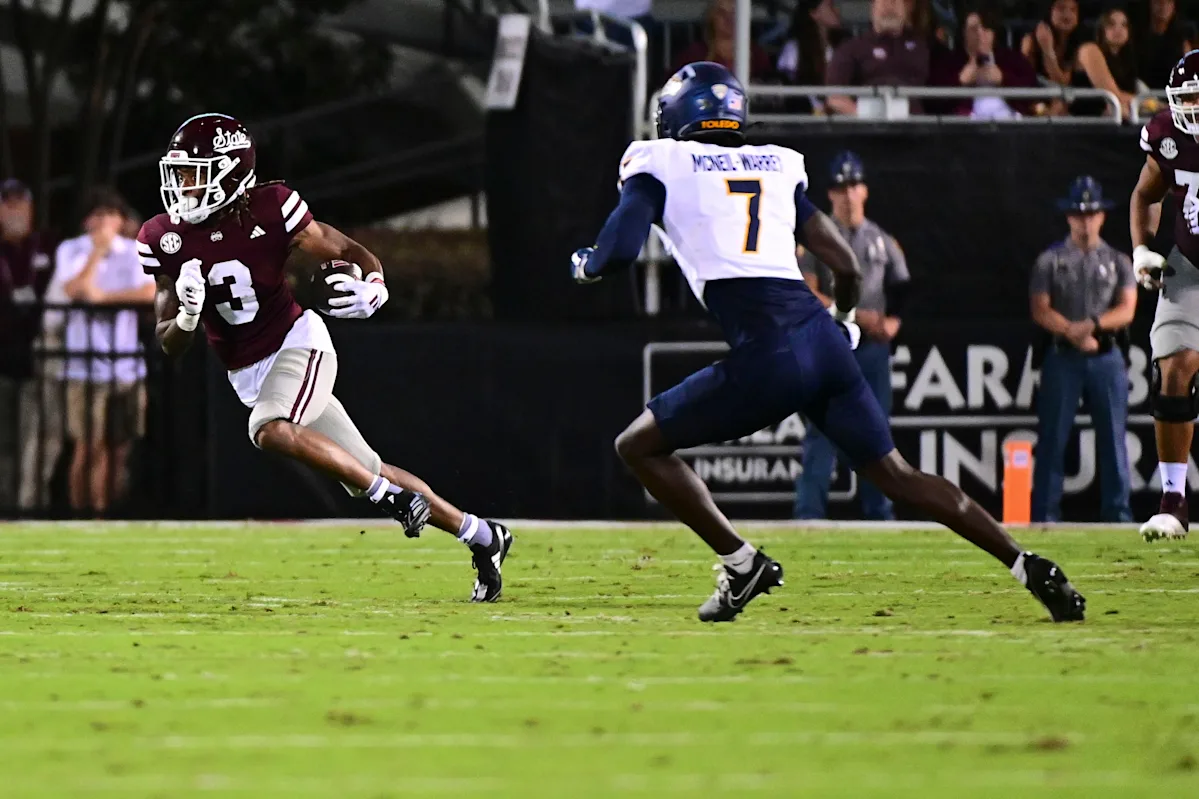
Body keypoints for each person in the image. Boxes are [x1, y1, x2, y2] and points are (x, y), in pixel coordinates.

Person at [570, 61, 1085, 623]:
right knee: (900, 476)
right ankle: (1027, 564)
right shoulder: (775, 163)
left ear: (675, 113)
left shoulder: (660, 161)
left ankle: (742, 563)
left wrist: (587, 264)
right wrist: (841, 318)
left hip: (769, 351)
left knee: (637, 446)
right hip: (824, 341)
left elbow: (619, 252)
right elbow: (845, 263)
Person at [140, 113, 513, 599]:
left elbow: (349, 250)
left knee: (268, 428)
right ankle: (482, 535)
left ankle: (391, 499)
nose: (183, 187)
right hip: (248, 373)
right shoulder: (161, 237)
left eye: (194, 174)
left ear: (231, 173)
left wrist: (374, 285)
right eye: (179, 174)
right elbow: (167, 341)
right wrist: (188, 317)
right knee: (369, 469)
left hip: (297, 344)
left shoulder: (272, 207)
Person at [794, 151, 908, 522]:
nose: (848, 195)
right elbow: (807, 292)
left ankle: (880, 513)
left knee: (876, 432)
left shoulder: (881, 239)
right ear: (830, 193)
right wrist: (858, 316)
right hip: (832, 343)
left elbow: (903, 286)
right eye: (841, 188)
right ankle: (809, 515)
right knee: (822, 430)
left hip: (873, 348)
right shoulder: (817, 236)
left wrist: (894, 322)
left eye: (853, 186)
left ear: (864, 190)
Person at [1029, 176, 1136, 523]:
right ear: (1069, 217)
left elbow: (1127, 309)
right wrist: (1072, 332)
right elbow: (1040, 308)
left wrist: (1092, 325)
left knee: (1114, 440)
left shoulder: (1118, 260)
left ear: (1101, 217)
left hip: (1105, 355)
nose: (1085, 221)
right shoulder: (1050, 260)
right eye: (1078, 214)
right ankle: (1045, 514)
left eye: (1091, 214)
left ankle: (1118, 515)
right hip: (1063, 356)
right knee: (1052, 437)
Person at [49, 190, 157, 515]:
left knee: (119, 448)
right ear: (86, 221)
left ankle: (104, 514)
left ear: (120, 220)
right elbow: (73, 289)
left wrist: (103, 298)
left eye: (111, 215)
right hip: (84, 368)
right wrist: (96, 253)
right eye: (98, 215)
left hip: (126, 367)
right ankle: (82, 515)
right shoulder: (72, 249)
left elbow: (149, 292)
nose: (104, 222)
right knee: (87, 446)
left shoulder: (133, 251)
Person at [1132, 50, 1199, 541]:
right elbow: (1145, 193)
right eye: (1185, 99)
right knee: (1173, 367)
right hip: (1191, 263)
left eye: (1197, 98)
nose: (1189, 109)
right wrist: (1141, 249)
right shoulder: (1169, 135)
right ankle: (1173, 501)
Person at [0, 179, 55, 514]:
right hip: (2, 358)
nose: (15, 210)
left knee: (34, 439)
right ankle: (5, 507)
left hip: (37, 357)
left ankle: (29, 508)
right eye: (8, 203)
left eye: (20, 203)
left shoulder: (47, 245)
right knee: (3, 441)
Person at [825, 0, 931, 117]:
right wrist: (864, 118)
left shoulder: (922, 47)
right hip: (869, 124)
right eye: (883, 2)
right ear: (873, 7)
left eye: (894, 2)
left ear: (905, 8)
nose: (889, 8)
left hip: (915, 123)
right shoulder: (851, 49)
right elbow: (835, 98)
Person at [931, 5, 1038, 119]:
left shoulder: (1011, 58)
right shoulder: (950, 61)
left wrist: (1003, 78)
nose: (980, 34)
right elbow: (933, 103)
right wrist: (960, 80)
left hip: (1009, 123)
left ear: (993, 33)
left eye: (986, 29)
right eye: (974, 29)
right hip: (966, 125)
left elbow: (1032, 91)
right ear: (964, 33)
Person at [671, 0, 772, 81]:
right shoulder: (694, 54)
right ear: (712, 17)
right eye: (722, 13)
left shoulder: (757, 54)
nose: (729, 19)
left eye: (734, 13)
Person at [1073, 6, 1138, 119]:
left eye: (1124, 25)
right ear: (1102, 28)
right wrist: (1155, 105)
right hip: (1086, 121)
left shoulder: (1126, 60)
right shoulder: (1089, 49)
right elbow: (1112, 95)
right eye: (1111, 24)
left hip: (1115, 119)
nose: (1118, 29)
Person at [1021, 0, 1083, 88]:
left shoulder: (1079, 44)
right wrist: (1046, 48)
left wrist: (1048, 50)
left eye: (1073, 10)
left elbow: (1063, 84)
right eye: (1061, 8)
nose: (1067, 15)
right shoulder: (1030, 40)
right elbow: (1025, 80)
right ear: (1049, 11)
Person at [1136, 0, 1192, 89]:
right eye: (1159, 2)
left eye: (1168, 2)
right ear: (1151, 4)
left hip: (1172, 92)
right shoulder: (1137, 36)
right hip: (1142, 92)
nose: (1163, 6)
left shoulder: (1182, 40)